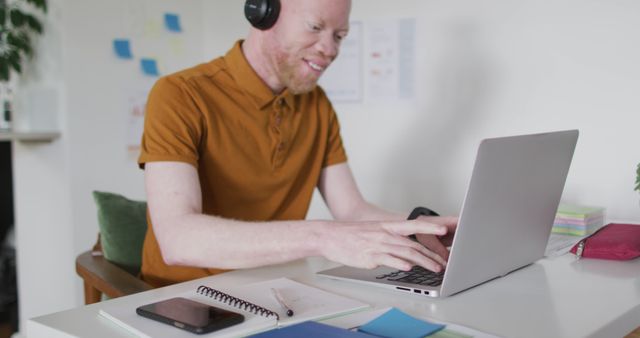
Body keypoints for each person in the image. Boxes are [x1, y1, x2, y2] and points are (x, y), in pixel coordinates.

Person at [137, 0, 457, 287]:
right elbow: (177, 239)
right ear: (262, 12)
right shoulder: (179, 94)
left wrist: (419, 229)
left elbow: (351, 209)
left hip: (276, 288)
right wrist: (322, 237)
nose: (330, 49)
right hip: (180, 299)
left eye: (339, 35)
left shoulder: (317, 104)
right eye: (315, 27)